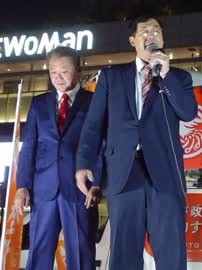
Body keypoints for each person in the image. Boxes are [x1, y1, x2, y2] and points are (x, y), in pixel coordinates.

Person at [75, 16, 198, 270]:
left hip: (165, 173)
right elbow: (94, 125)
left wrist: (166, 75)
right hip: (124, 172)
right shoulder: (111, 77)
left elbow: (188, 112)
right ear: (133, 40)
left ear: (162, 38)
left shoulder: (178, 77)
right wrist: (84, 162)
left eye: (156, 31)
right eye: (145, 31)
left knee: (171, 250)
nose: (151, 35)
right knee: (124, 252)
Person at [14, 46, 101, 270]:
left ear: (78, 70)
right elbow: (29, 147)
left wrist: (98, 182)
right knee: (39, 253)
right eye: (53, 72)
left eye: (64, 71)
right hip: (44, 191)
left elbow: (102, 146)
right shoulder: (39, 103)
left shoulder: (94, 102)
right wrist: (22, 186)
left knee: (81, 254)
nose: (58, 78)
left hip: (80, 191)